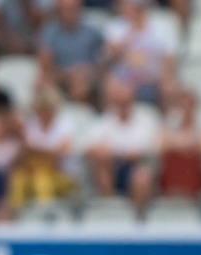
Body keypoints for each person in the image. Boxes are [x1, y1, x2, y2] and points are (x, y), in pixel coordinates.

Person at [86, 76, 159, 210]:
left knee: (141, 177)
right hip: (114, 168)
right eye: (120, 102)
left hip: (139, 166)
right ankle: (110, 209)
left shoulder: (147, 118)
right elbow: (91, 147)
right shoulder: (104, 120)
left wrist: (127, 154)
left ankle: (138, 215)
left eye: (126, 101)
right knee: (101, 162)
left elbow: (155, 145)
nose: (123, 105)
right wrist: (117, 154)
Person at [39, 0, 102, 105]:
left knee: (81, 85)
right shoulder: (49, 34)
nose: (69, 13)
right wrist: (68, 74)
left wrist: (87, 71)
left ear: (80, 9)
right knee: (41, 83)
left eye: (72, 9)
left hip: (88, 78)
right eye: (65, 9)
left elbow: (102, 61)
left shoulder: (92, 33)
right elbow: (45, 65)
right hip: (60, 79)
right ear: (58, 11)